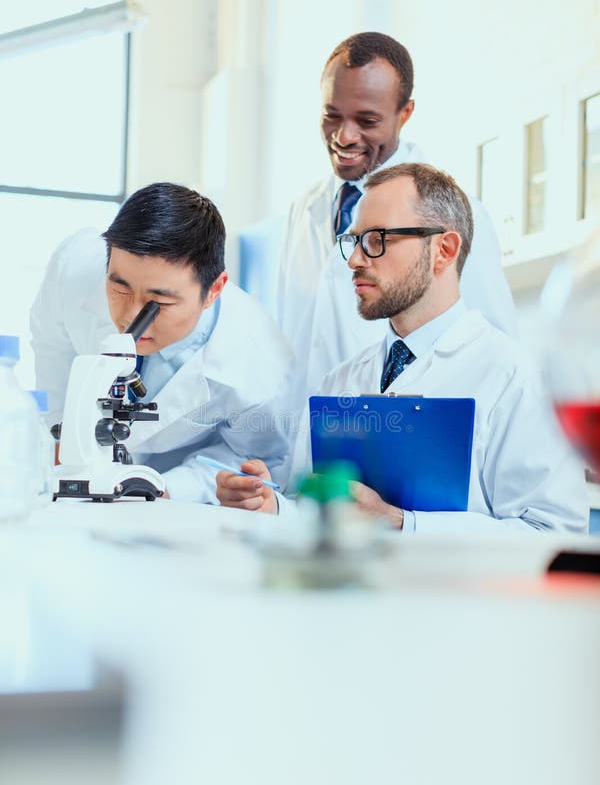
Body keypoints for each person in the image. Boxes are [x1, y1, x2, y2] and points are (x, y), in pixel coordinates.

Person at [217, 163, 588, 536]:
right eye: (354, 240)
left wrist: (401, 523)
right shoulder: (340, 380)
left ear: (444, 249)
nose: (355, 260)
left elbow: (552, 532)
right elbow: (317, 507)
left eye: (378, 240)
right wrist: (273, 505)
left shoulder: (516, 378)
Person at [276, 32, 517, 412]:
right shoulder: (303, 210)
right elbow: (293, 345)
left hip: (402, 437)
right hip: (311, 443)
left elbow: (497, 358)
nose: (344, 135)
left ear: (405, 114)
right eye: (331, 115)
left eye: (367, 120)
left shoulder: (454, 212)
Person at [30, 182, 294, 503]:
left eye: (160, 301)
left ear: (214, 289)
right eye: (120, 288)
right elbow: (52, 345)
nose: (130, 317)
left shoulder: (260, 363)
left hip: (176, 485)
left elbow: (254, 458)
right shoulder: (74, 269)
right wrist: (66, 433)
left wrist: (169, 490)